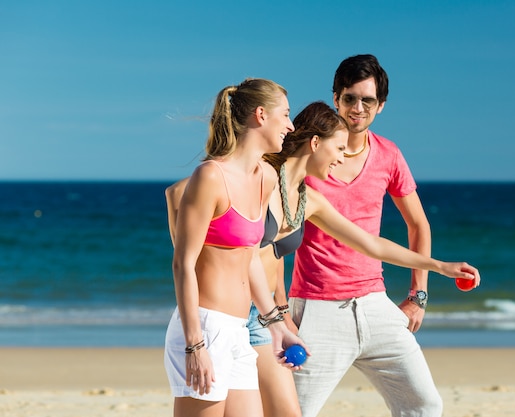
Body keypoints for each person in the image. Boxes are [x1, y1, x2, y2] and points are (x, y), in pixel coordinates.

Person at [168, 101, 479, 417]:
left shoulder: (309, 200)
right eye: (339, 148)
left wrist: (438, 265)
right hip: (227, 312)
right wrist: (191, 257)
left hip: (263, 317)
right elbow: (178, 193)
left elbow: (369, 243)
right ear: (315, 143)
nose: (342, 157)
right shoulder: (262, 176)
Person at [289, 55, 478, 417]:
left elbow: (418, 225)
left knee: (423, 405)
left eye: (368, 100)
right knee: (293, 412)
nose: (358, 108)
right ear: (335, 98)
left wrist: (417, 295)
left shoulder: (388, 155)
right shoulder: (309, 156)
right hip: (317, 310)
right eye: (349, 98)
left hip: (376, 305)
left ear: (381, 106)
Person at [163, 77, 306, 417]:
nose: (291, 124)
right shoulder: (210, 177)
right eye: (285, 114)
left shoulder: (266, 177)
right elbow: (183, 264)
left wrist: (276, 327)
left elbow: (250, 260)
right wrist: (194, 345)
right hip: (204, 328)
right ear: (260, 115)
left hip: (240, 330)